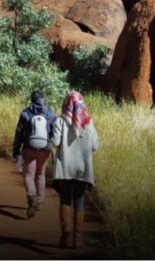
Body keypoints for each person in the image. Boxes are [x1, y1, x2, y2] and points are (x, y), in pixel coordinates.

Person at [50, 91, 99, 249]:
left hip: (65, 167)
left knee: (65, 200)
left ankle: (65, 234)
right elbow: (95, 146)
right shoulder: (89, 123)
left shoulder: (60, 121)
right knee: (79, 202)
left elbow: (56, 143)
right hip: (82, 169)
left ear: (66, 103)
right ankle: (77, 240)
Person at [12, 90, 56, 219]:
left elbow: (19, 133)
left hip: (29, 148)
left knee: (29, 174)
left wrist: (16, 150)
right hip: (45, 150)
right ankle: (40, 203)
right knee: (40, 174)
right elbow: (53, 133)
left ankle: (31, 195)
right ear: (43, 99)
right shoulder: (50, 114)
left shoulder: (25, 113)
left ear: (32, 99)